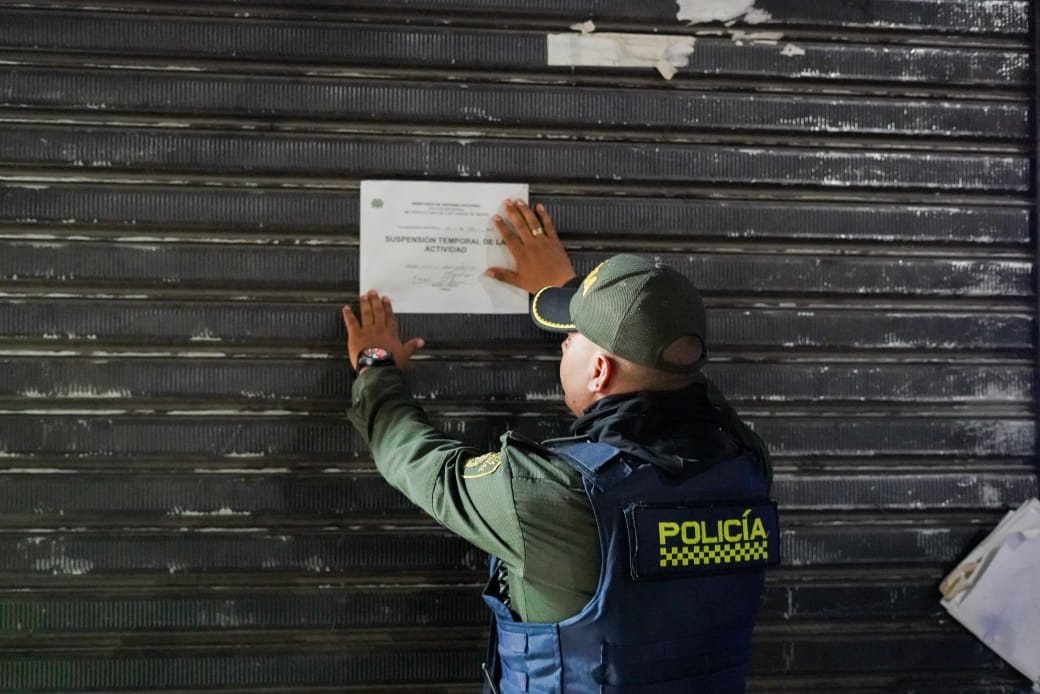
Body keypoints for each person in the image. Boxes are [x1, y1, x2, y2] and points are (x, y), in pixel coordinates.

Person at [342, 199, 778, 693]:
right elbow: (680, 378)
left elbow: (414, 458)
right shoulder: (744, 462)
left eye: (570, 336)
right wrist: (579, 298)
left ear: (598, 371)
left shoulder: (553, 493)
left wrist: (376, 367)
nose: (564, 343)